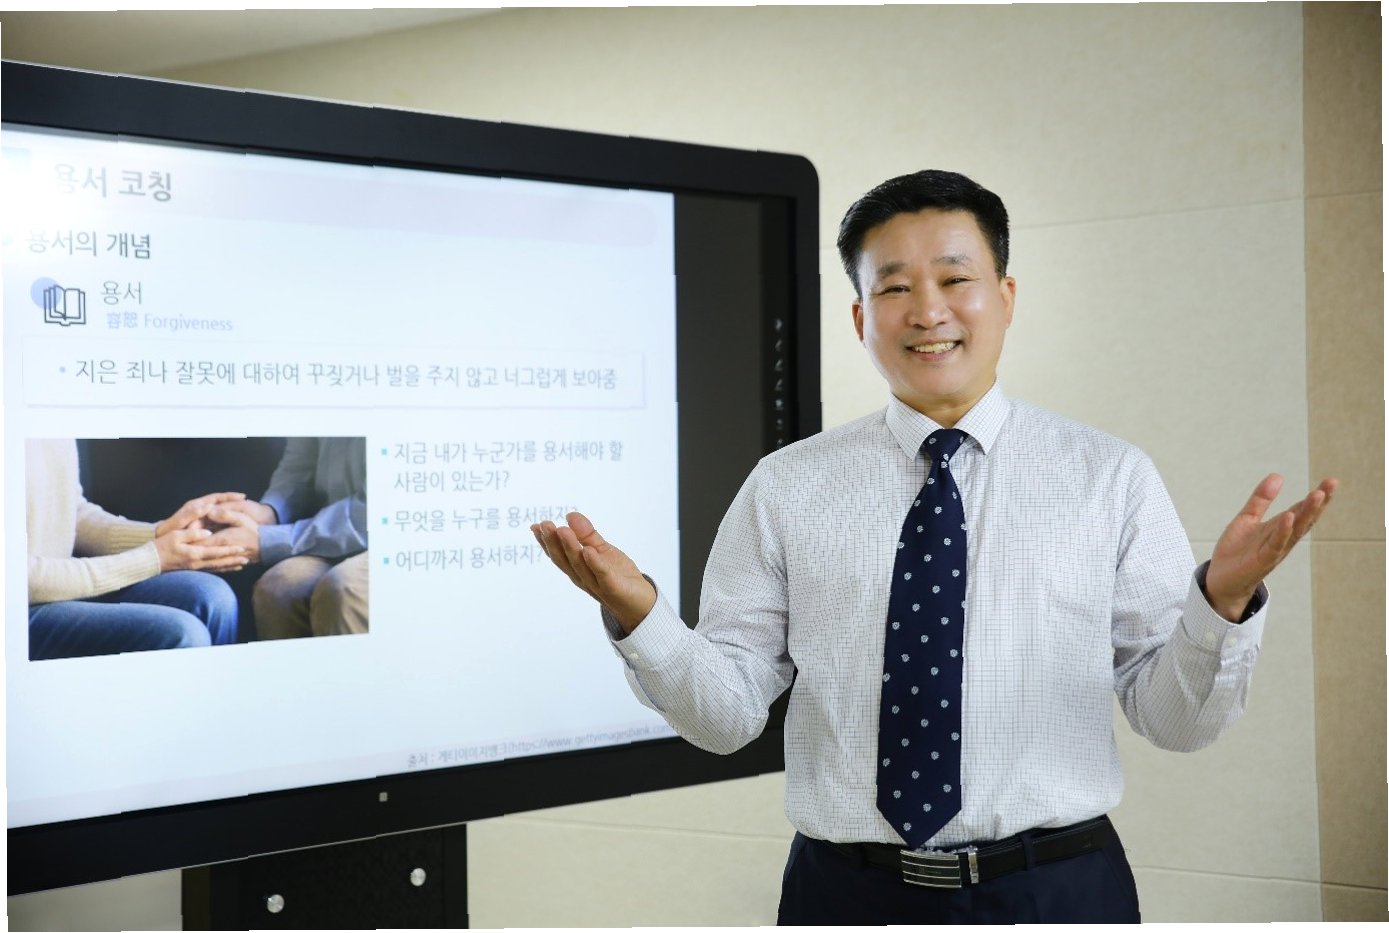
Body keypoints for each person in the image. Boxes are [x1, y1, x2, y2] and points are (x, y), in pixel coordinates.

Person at [530, 170, 1338, 924]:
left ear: (1005, 298)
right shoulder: (786, 486)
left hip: (1055, 890)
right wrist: (641, 615)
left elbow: (1175, 721)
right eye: (893, 287)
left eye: (954, 279)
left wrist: (1220, 602)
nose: (927, 311)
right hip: (841, 893)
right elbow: (727, 716)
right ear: (860, 318)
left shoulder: (1108, 476)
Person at [27, 438, 247, 660]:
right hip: (18, 612)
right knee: (183, 634)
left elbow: (73, 511)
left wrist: (160, 533)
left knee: (212, 595)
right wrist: (152, 558)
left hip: (63, 587)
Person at [205, 437, 368, 639]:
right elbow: (300, 466)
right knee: (278, 587)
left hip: (387, 541)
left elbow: (370, 514)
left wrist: (268, 540)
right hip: (326, 532)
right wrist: (270, 513)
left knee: (344, 588)